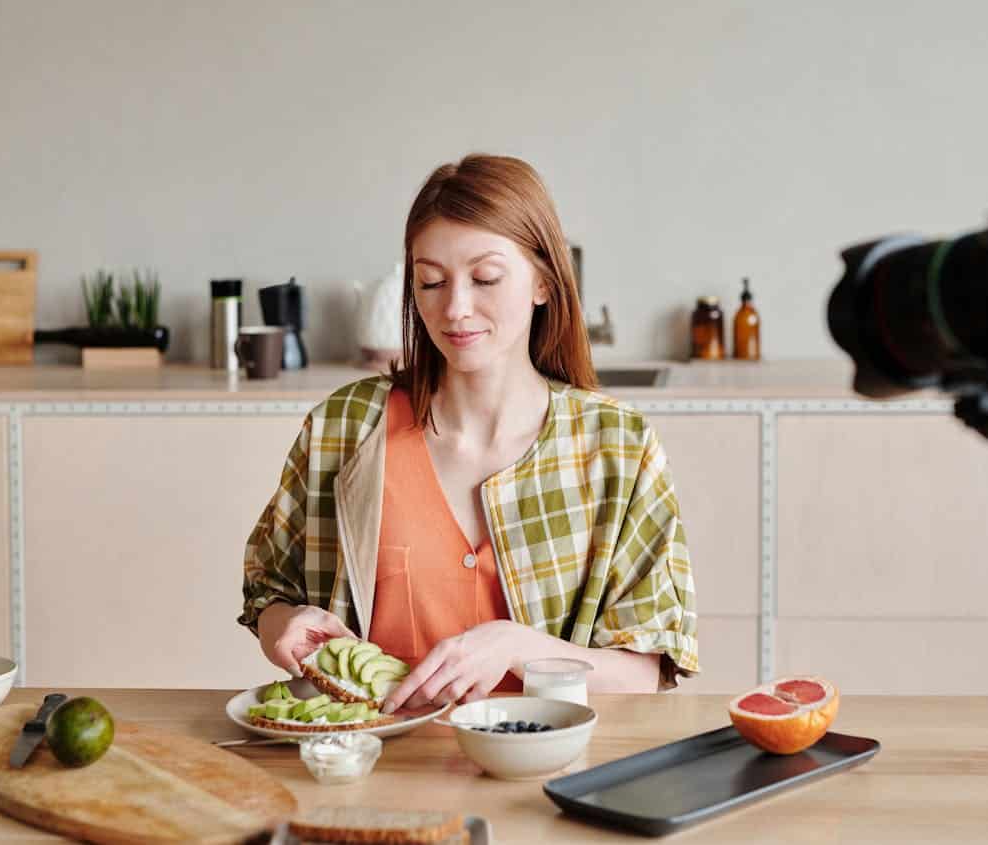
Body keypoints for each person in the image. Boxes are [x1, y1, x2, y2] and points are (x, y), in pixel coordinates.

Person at [239, 154, 699, 713]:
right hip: (371, 772)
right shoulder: (343, 429)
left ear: (544, 283)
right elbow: (268, 593)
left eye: (485, 278)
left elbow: (646, 671)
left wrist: (517, 647)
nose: (455, 309)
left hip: (546, 776)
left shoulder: (617, 445)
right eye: (431, 282)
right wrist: (284, 625)